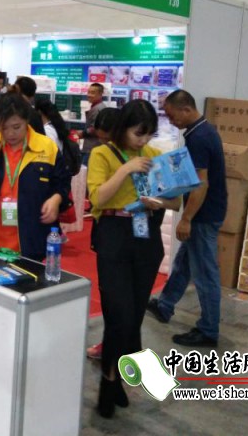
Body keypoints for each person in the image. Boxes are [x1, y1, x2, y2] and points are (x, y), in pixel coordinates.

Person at [87, 99, 180, 418]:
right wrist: (126, 169)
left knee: (134, 316)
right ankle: (108, 380)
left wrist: (157, 201)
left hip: (146, 238)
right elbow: (97, 198)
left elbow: (176, 201)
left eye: (149, 134)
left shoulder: (155, 155)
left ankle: (115, 381)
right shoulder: (102, 154)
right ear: (123, 128)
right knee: (119, 314)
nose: (143, 140)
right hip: (114, 234)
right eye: (138, 133)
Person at [146, 90, 227, 347]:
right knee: (184, 263)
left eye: (172, 116)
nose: (171, 122)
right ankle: (165, 305)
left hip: (204, 214)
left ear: (186, 109)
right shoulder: (200, 131)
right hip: (206, 211)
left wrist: (187, 219)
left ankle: (208, 330)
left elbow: (201, 183)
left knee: (205, 274)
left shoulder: (200, 137)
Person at [0, 93, 71, 260]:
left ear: (27, 121)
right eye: (3, 128)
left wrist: (55, 199)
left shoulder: (47, 147)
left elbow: (62, 182)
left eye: (16, 127)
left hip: (32, 241)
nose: (10, 134)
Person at [85, 105, 122, 361]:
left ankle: (115, 346)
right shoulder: (100, 155)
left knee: (118, 296)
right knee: (109, 291)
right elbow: (96, 197)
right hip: (107, 228)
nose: (104, 144)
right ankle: (112, 344)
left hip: (127, 235)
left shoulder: (146, 155)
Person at [81, 82, 107, 165]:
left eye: (92, 93)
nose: (89, 95)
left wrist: (82, 133)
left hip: (93, 147)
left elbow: (95, 128)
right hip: (90, 146)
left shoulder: (99, 108)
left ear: (100, 94)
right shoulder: (95, 106)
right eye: (88, 92)